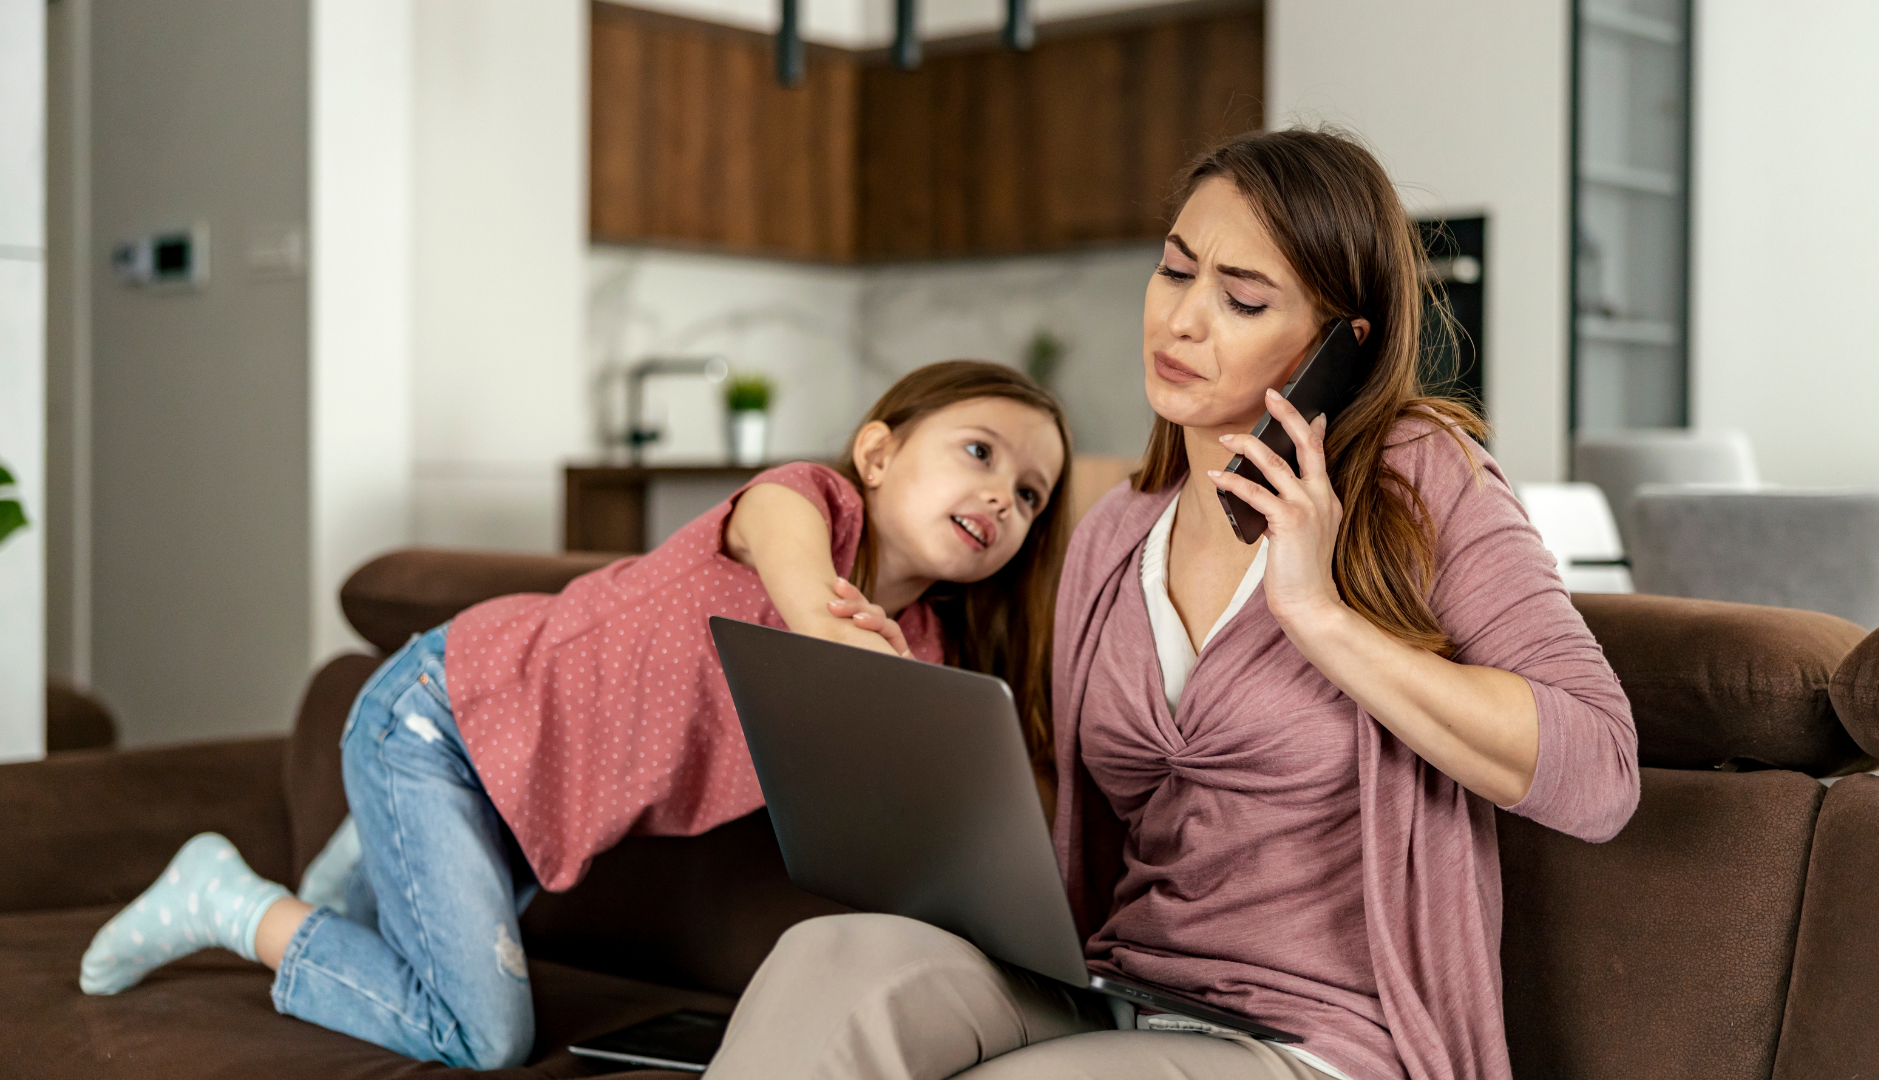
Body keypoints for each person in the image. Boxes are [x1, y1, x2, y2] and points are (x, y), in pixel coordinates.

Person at [699, 128, 1640, 1080]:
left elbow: (1600, 770)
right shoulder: (1114, 532)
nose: (1182, 321)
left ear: (1339, 346)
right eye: (1174, 272)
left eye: (1240, 298)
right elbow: (1077, 846)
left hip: (1316, 1042)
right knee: (836, 960)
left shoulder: (1423, 482)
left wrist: (1319, 615)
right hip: (1119, 991)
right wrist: (914, 736)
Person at [76, 360, 1073, 1070]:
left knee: (408, 948)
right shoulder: (802, 504)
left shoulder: (926, 655)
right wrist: (830, 624)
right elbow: (793, 563)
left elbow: (884, 817)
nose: (999, 496)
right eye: (977, 452)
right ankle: (223, 900)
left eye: (1029, 495)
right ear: (877, 451)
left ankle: (354, 872)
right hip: (441, 724)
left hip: (522, 810)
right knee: (481, 1037)